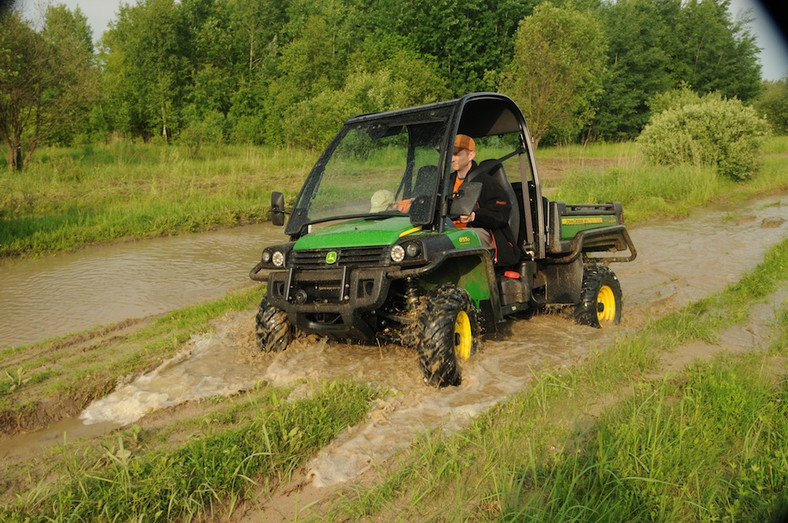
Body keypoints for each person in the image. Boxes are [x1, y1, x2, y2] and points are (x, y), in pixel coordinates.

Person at [450, 134, 520, 267]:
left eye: (456, 154)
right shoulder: (447, 182)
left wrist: (474, 216)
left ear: (471, 155)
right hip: (450, 230)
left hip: (481, 231)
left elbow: (501, 214)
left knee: (454, 240)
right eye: (450, 154)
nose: (452, 159)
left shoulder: (487, 182)